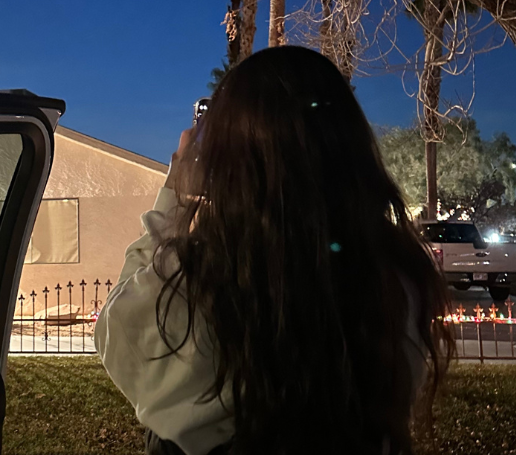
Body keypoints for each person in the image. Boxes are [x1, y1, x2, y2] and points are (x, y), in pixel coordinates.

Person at [94, 46, 453, 455]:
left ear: (228, 159)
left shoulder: (194, 281)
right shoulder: (396, 278)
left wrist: (173, 197)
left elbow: (116, 330)